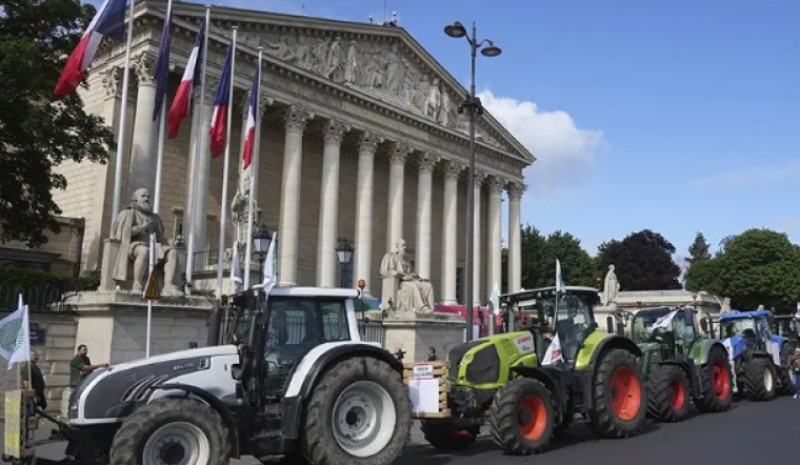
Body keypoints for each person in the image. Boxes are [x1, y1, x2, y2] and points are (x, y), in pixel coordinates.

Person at [110, 187, 183, 296]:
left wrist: (173, 242)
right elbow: (125, 233)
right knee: (144, 251)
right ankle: (137, 285)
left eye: (148, 196)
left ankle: (168, 286)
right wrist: (142, 228)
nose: (146, 199)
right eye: (143, 196)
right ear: (135, 199)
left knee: (173, 252)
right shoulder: (128, 213)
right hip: (134, 245)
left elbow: (161, 238)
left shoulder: (154, 217)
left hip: (154, 245)